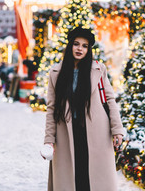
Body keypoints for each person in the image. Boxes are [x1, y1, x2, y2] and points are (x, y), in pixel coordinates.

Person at [43, 26, 125, 191]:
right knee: (73, 179)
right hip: (66, 133)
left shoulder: (98, 70)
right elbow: (51, 109)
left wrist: (117, 129)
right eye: (76, 44)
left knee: (93, 179)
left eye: (85, 46)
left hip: (96, 133)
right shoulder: (56, 73)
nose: (80, 48)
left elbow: (110, 100)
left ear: (89, 49)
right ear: (70, 46)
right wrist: (49, 140)